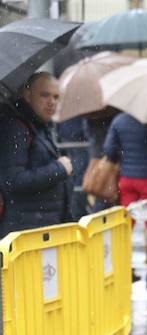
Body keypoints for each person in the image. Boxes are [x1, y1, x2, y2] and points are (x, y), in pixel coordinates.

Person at [0, 71, 74, 238]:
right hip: (25, 231)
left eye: (56, 97)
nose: (51, 102)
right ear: (27, 95)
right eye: (45, 95)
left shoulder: (40, 126)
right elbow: (13, 181)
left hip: (42, 227)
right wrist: (59, 169)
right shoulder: (16, 128)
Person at [102, 111, 147, 283]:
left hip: (127, 180)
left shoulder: (118, 121)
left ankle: (125, 268)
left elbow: (109, 151)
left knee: (127, 225)